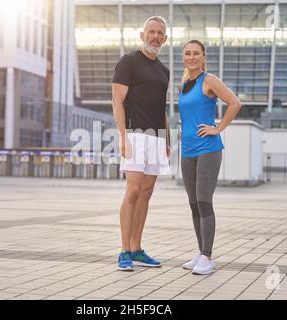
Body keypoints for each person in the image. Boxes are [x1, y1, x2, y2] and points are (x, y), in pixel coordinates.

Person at [111, 16, 171, 271]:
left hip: (156, 136)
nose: (155, 36)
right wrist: (123, 137)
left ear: (165, 39)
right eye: (151, 32)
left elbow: (162, 109)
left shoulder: (164, 70)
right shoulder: (129, 62)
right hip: (135, 134)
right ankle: (124, 250)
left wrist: (167, 140)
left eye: (160, 33)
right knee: (133, 192)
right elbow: (117, 100)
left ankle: (136, 248)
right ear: (142, 34)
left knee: (147, 194)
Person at [178, 40, 242, 275]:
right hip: (187, 150)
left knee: (204, 200)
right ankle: (200, 252)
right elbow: (190, 113)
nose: (192, 57)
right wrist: (182, 129)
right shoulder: (183, 84)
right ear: (183, 57)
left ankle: (208, 256)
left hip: (208, 149)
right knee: (193, 203)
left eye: (196, 53)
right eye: (187, 53)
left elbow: (235, 102)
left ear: (204, 57)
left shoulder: (209, 80)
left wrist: (218, 128)